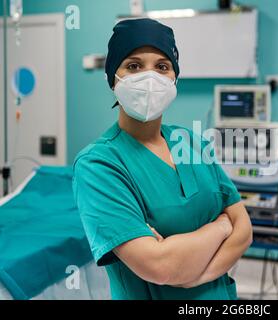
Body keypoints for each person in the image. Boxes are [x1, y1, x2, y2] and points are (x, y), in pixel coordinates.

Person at [72, 18, 253, 300]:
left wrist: (194, 277)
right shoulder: (98, 165)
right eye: (133, 66)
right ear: (113, 78)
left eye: (162, 66)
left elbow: (244, 229)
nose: (150, 77)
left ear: (174, 78)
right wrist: (220, 226)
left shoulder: (191, 141)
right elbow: (160, 267)